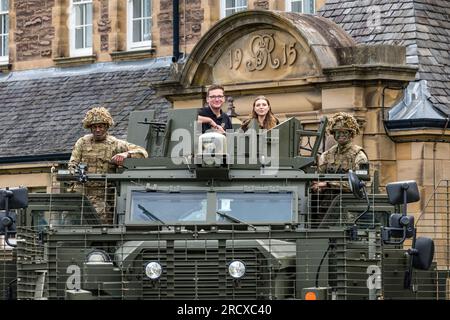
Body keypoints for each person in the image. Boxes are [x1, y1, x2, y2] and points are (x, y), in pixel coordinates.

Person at [68, 106, 148, 224]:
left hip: (103, 195)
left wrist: (126, 154)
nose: (98, 130)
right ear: (90, 128)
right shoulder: (82, 142)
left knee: (100, 223)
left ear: (106, 126)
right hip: (82, 192)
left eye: (101, 126)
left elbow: (143, 153)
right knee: (71, 221)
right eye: (94, 127)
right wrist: (73, 172)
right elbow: (73, 163)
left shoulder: (115, 144)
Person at [310, 112, 369, 226]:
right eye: (338, 132)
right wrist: (317, 186)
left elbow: (360, 184)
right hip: (326, 206)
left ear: (351, 134)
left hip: (348, 207)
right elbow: (318, 180)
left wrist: (327, 184)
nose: (341, 135)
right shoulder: (327, 155)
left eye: (345, 132)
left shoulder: (359, 156)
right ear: (334, 134)